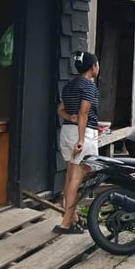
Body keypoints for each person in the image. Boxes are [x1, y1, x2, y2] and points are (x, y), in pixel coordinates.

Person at [55, 51, 100, 234]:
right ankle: (66, 223)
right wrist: (81, 139)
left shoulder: (69, 85)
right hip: (82, 133)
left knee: (69, 176)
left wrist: (71, 118)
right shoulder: (89, 87)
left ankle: (72, 216)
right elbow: (84, 113)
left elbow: (61, 110)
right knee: (77, 178)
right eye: (97, 65)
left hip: (67, 131)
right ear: (93, 67)